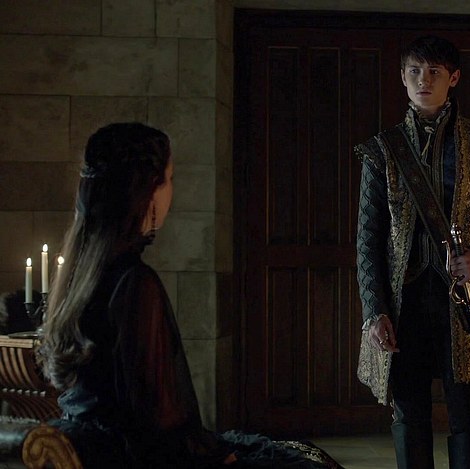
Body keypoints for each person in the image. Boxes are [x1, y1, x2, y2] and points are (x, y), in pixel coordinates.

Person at [37, 122, 343, 469]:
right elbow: (158, 421)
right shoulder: (134, 284)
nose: (172, 190)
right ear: (147, 190)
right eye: (169, 179)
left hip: (105, 451)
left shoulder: (80, 275)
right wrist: (218, 456)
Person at [355, 36, 470, 469]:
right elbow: (368, 240)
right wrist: (375, 310)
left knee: (467, 416)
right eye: (414, 71)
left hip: (460, 304)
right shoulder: (382, 150)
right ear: (402, 77)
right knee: (409, 415)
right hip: (403, 304)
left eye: (434, 72)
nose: (423, 80)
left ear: (454, 78)